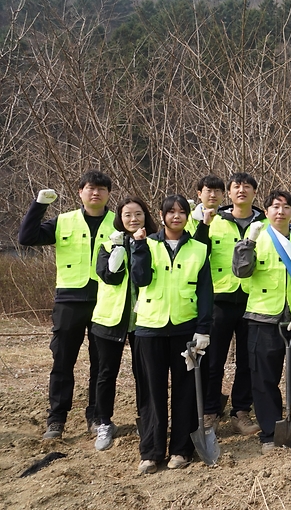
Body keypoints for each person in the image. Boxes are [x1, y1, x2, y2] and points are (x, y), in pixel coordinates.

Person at [18, 170, 116, 440]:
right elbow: (26, 238)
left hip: (105, 301)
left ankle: (96, 417)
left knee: (101, 364)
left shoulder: (118, 223)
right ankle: (57, 420)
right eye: (90, 188)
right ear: (80, 192)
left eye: (101, 189)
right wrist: (39, 206)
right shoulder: (64, 221)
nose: (95, 193)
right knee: (63, 362)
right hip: (69, 301)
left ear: (109, 194)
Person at [233, 189, 291, 454]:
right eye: (274, 207)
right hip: (262, 317)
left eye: (285, 207)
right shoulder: (256, 238)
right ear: (266, 211)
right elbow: (241, 270)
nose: (280, 211)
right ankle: (270, 434)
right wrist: (246, 243)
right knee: (264, 378)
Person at [130, 194, 213, 474]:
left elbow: (205, 293)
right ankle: (151, 452)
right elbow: (139, 279)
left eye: (181, 212)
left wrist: (204, 329)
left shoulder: (199, 249)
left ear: (188, 216)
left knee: (185, 391)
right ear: (161, 215)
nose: (176, 216)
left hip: (185, 329)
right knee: (152, 393)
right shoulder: (146, 243)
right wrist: (139, 246)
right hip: (150, 328)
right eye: (170, 212)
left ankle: (181, 449)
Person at [193, 172, 264, 436]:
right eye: (236, 186)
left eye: (247, 187)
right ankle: (209, 411)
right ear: (229, 194)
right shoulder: (213, 220)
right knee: (213, 359)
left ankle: (241, 412)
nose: (242, 190)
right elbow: (196, 255)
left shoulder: (265, 222)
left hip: (253, 298)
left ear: (254, 193)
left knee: (247, 360)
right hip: (218, 299)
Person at [92, 198, 157, 450]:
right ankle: (104, 422)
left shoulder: (155, 243)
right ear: (120, 217)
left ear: (145, 216)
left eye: (138, 214)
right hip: (110, 319)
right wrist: (117, 254)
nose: (133, 219)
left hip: (146, 318)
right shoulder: (108, 244)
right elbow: (108, 277)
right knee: (106, 373)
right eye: (127, 214)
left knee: (144, 374)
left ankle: (147, 420)